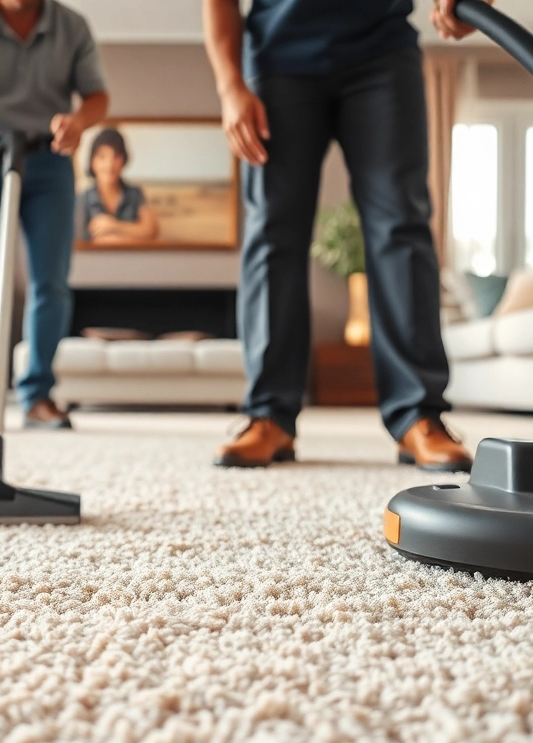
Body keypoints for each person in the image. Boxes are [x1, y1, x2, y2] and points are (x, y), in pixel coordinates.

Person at [202, 0, 486, 470]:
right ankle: (269, 413)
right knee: (272, 232)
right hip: (278, 59)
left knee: (401, 225)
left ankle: (418, 414)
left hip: (382, 51)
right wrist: (230, 85)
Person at [0, 0, 109, 431]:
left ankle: (38, 395)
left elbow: (97, 97)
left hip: (50, 159)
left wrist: (79, 122)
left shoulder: (72, 26)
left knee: (51, 280)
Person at [81, 128, 160, 244]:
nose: (109, 165)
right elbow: (82, 242)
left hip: (132, 255)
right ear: (92, 162)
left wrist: (113, 226)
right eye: (102, 157)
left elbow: (151, 230)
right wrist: (134, 237)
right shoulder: (83, 199)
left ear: (123, 161)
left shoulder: (134, 193)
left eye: (116, 157)